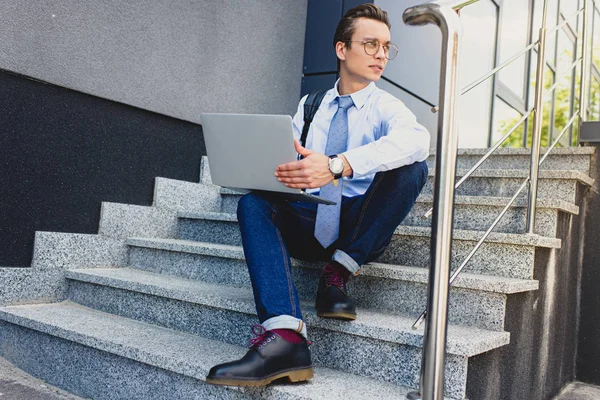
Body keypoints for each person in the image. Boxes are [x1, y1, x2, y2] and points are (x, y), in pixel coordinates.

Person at [206, 3, 429, 387]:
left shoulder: (386, 107)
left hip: (359, 227)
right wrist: (282, 171)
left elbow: (417, 140)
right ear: (342, 49)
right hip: (310, 218)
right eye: (370, 44)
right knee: (253, 204)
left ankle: (337, 272)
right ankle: (286, 338)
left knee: (412, 169)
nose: (380, 55)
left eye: (386, 47)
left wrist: (338, 164)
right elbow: (288, 155)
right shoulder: (311, 106)